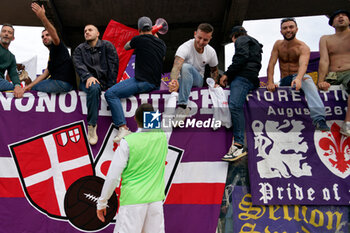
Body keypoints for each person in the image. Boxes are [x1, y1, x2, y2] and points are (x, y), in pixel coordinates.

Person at [97, 80, 179, 233]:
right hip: (155, 203)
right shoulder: (163, 136)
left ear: (135, 119)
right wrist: (174, 94)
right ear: (154, 117)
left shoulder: (127, 142)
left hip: (132, 204)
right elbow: (169, 115)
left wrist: (102, 202)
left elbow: (113, 176)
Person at [104, 16, 166, 144]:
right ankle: (153, 136)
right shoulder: (161, 43)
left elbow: (127, 47)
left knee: (110, 94)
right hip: (156, 84)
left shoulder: (139, 39)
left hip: (143, 81)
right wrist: (154, 37)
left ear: (139, 29)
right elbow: (163, 58)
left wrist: (139, 37)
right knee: (149, 106)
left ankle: (123, 128)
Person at [267, 18, 329, 131]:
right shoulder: (278, 45)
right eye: (285, 28)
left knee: (308, 81)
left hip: (298, 77)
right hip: (283, 80)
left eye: (291, 27)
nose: (288, 30)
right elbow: (271, 64)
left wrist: (299, 78)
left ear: (296, 29)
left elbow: (303, 65)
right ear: (281, 31)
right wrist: (270, 82)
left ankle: (319, 119)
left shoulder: (303, 47)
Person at [220, 26, 263, 162]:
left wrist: (227, 74)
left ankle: (238, 145)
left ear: (234, 37)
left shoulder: (241, 40)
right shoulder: (255, 43)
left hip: (242, 77)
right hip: (251, 79)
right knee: (238, 106)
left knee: (234, 106)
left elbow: (241, 58)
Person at [73, 24, 119, 145]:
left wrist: (111, 85)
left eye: (90, 30)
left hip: (104, 82)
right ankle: (92, 126)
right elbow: (78, 65)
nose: (87, 32)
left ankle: (122, 127)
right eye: (85, 31)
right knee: (93, 87)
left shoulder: (107, 46)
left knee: (115, 92)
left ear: (98, 33)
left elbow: (113, 66)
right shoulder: (79, 49)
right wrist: (88, 76)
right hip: (87, 81)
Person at [170, 23, 219, 122]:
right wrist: (174, 81)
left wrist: (214, 83)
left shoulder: (211, 52)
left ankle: (182, 107)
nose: (201, 42)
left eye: (205, 40)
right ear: (195, 34)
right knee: (184, 67)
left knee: (186, 67)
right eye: (199, 38)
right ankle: (183, 107)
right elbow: (176, 67)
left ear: (210, 39)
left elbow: (214, 70)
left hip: (197, 81)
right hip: (182, 80)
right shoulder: (185, 47)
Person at [25, 3, 76, 93]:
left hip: (62, 83)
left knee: (33, 90)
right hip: (61, 84)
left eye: (47, 35)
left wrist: (43, 17)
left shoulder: (57, 46)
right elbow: (45, 74)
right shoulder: (52, 54)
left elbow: (55, 35)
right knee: (32, 88)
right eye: (42, 36)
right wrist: (28, 86)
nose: (44, 37)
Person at [318, 10, 350, 136]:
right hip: (333, 74)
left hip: (349, 73)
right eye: (336, 16)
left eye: (344, 15)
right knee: (314, 92)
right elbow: (324, 60)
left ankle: (347, 124)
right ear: (332, 24)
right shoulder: (325, 39)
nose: (340, 17)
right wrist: (321, 80)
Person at [0, 23, 24, 98]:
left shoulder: (11, 57)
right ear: (0, 34)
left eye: (9, 32)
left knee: (17, 90)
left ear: (13, 38)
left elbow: (13, 74)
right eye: (4, 31)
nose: (6, 34)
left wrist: (17, 86)